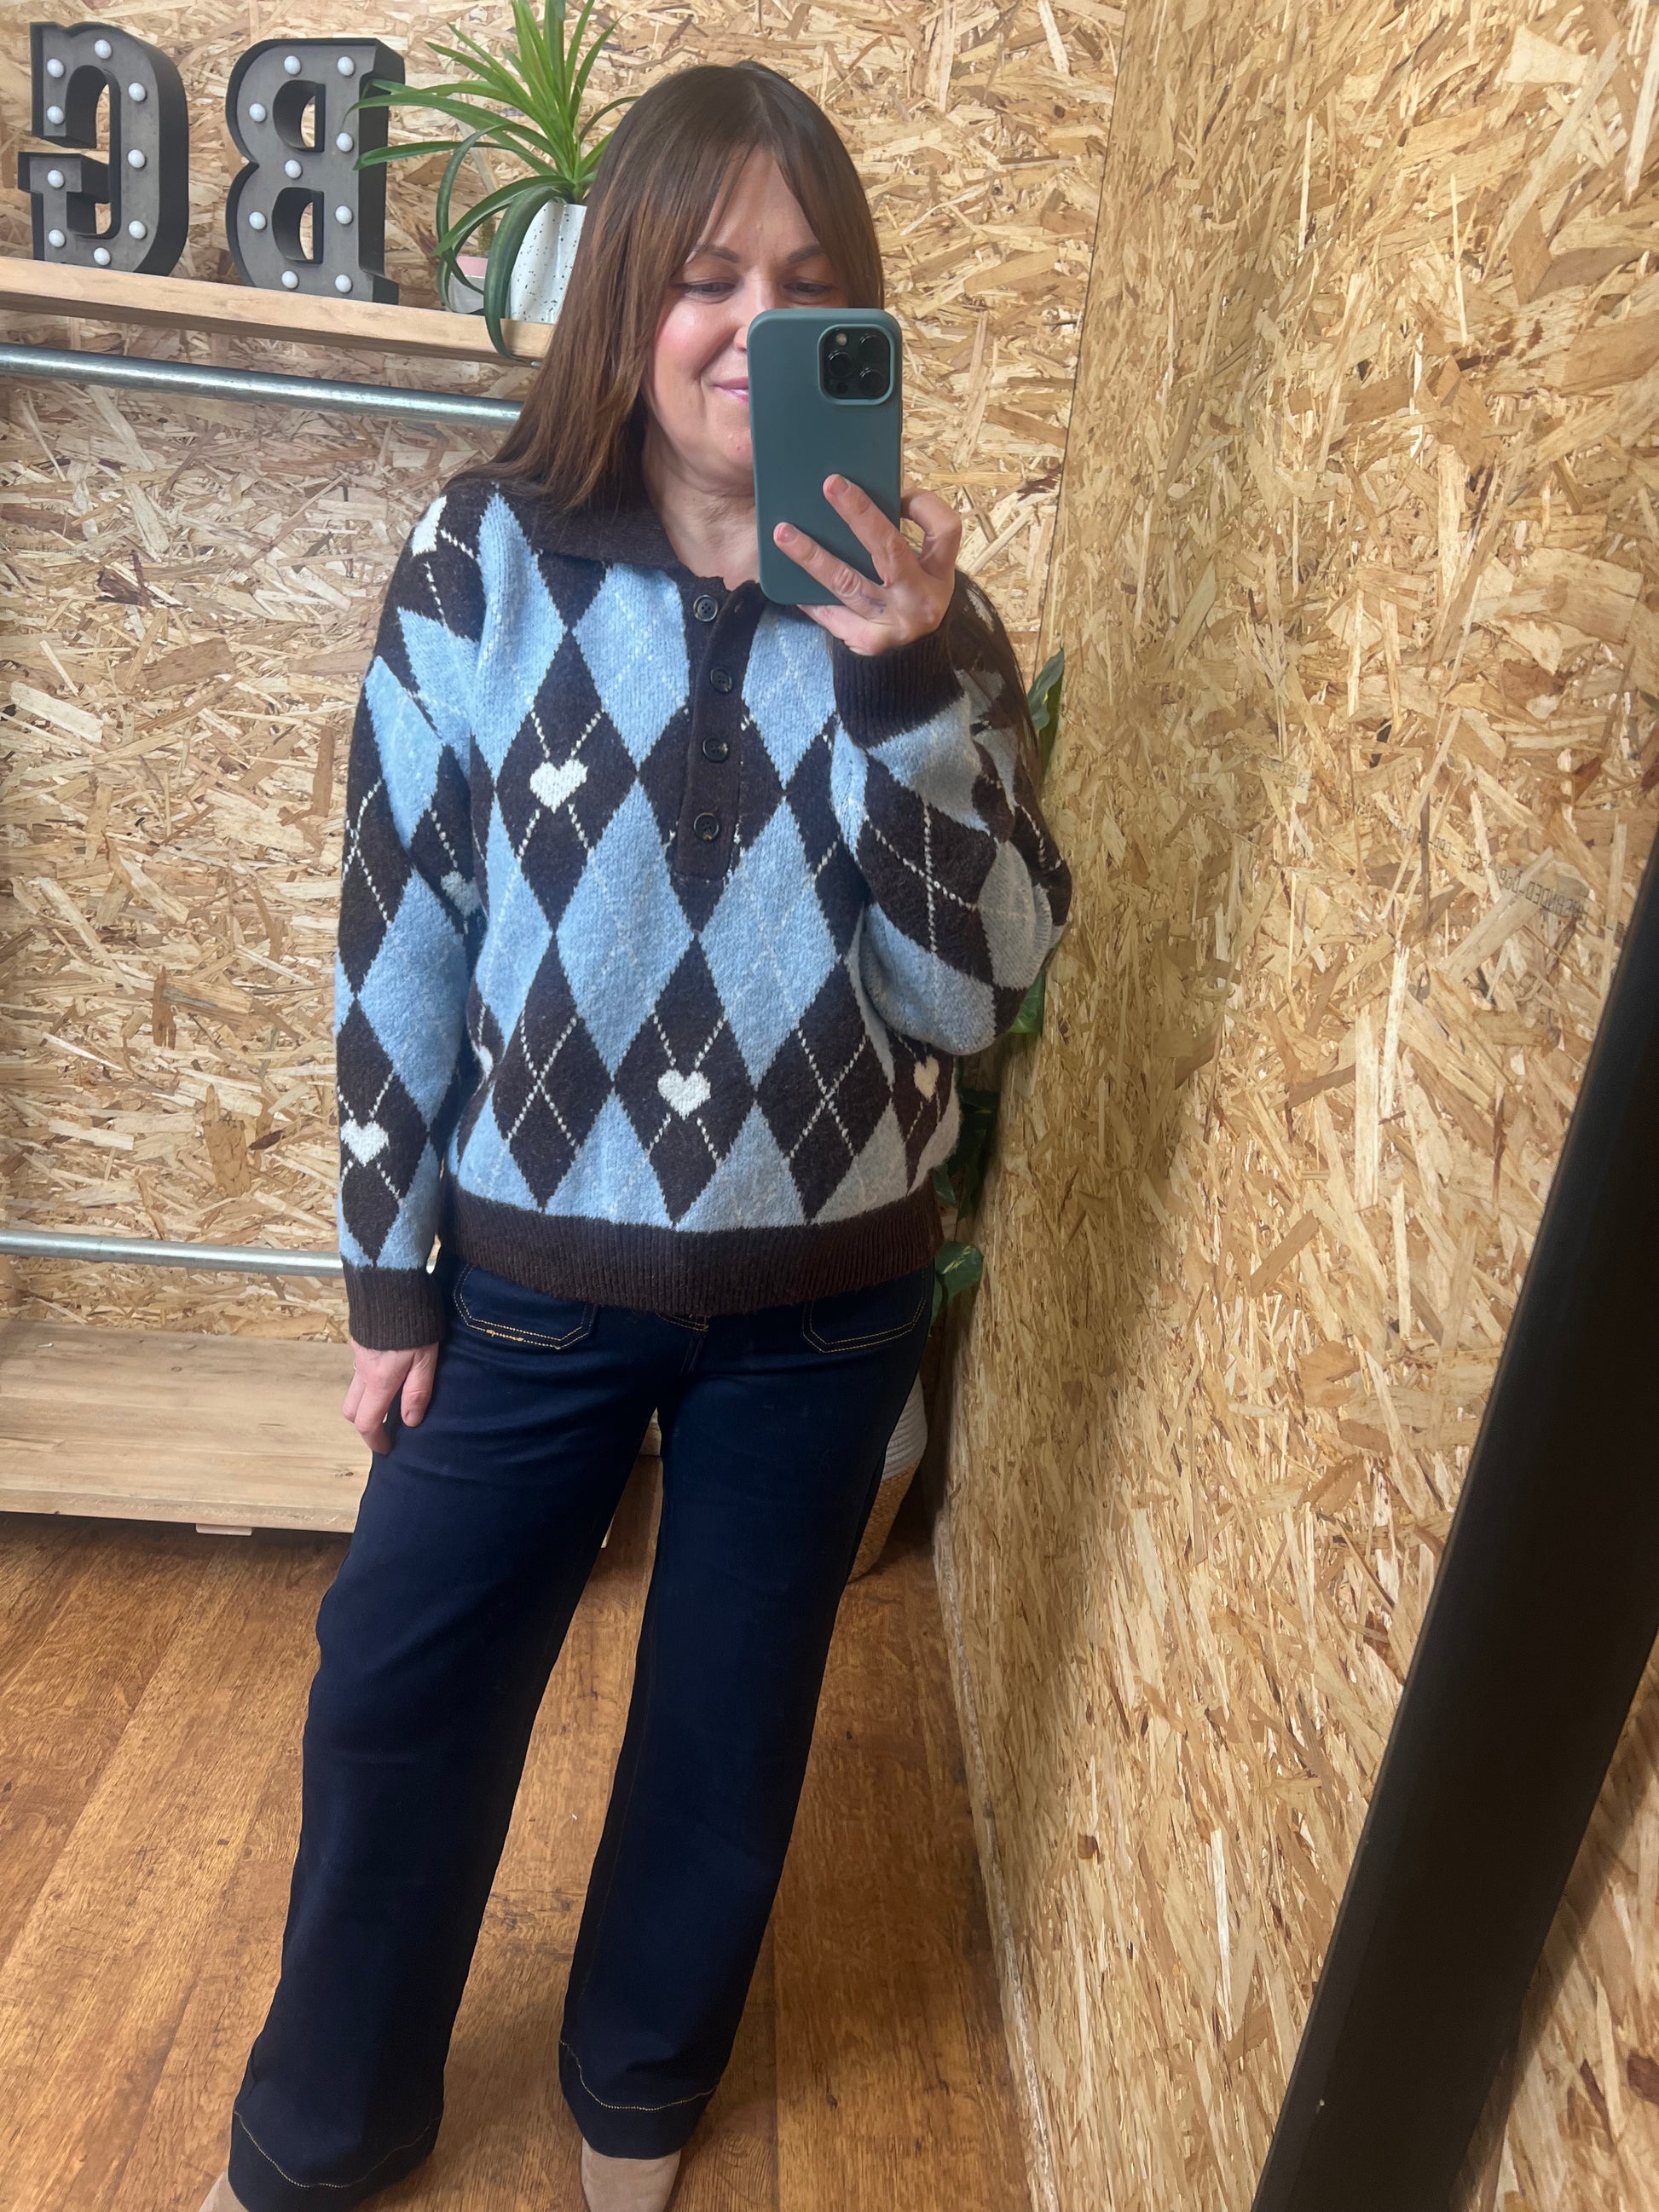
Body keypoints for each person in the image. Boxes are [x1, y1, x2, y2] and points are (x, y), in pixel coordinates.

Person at [199, 56, 1070, 2212]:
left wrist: (904, 686)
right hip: (527, 1284)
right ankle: (319, 2131)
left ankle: (639, 2089)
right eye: (704, 275)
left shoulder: (930, 621)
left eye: (805, 283)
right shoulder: (474, 561)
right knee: (393, 1689)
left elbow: (979, 993)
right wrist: (387, 1274)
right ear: (624, 302)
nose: (752, 324)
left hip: (826, 1307)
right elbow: (401, 932)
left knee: (724, 1733)